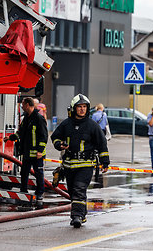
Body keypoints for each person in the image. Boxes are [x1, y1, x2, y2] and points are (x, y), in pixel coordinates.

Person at [51, 94, 110, 228]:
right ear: (74, 108)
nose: (82, 109)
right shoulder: (66, 124)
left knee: (79, 189)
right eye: (79, 107)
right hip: (68, 165)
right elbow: (55, 137)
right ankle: (82, 214)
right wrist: (59, 144)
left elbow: (102, 144)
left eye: (84, 107)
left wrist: (105, 162)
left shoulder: (92, 125)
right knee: (73, 191)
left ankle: (76, 217)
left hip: (85, 165)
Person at [4, 97, 48, 200]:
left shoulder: (39, 118)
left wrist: (40, 151)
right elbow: (21, 133)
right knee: (24, 173)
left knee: (39, 174)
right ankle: (23, 191)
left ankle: (39, 193)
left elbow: (44, 136)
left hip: (37, 154)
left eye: (23, 105)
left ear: (27, 105)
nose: (22, 107)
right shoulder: (27, 118)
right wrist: (10, 137)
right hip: (27, 153)